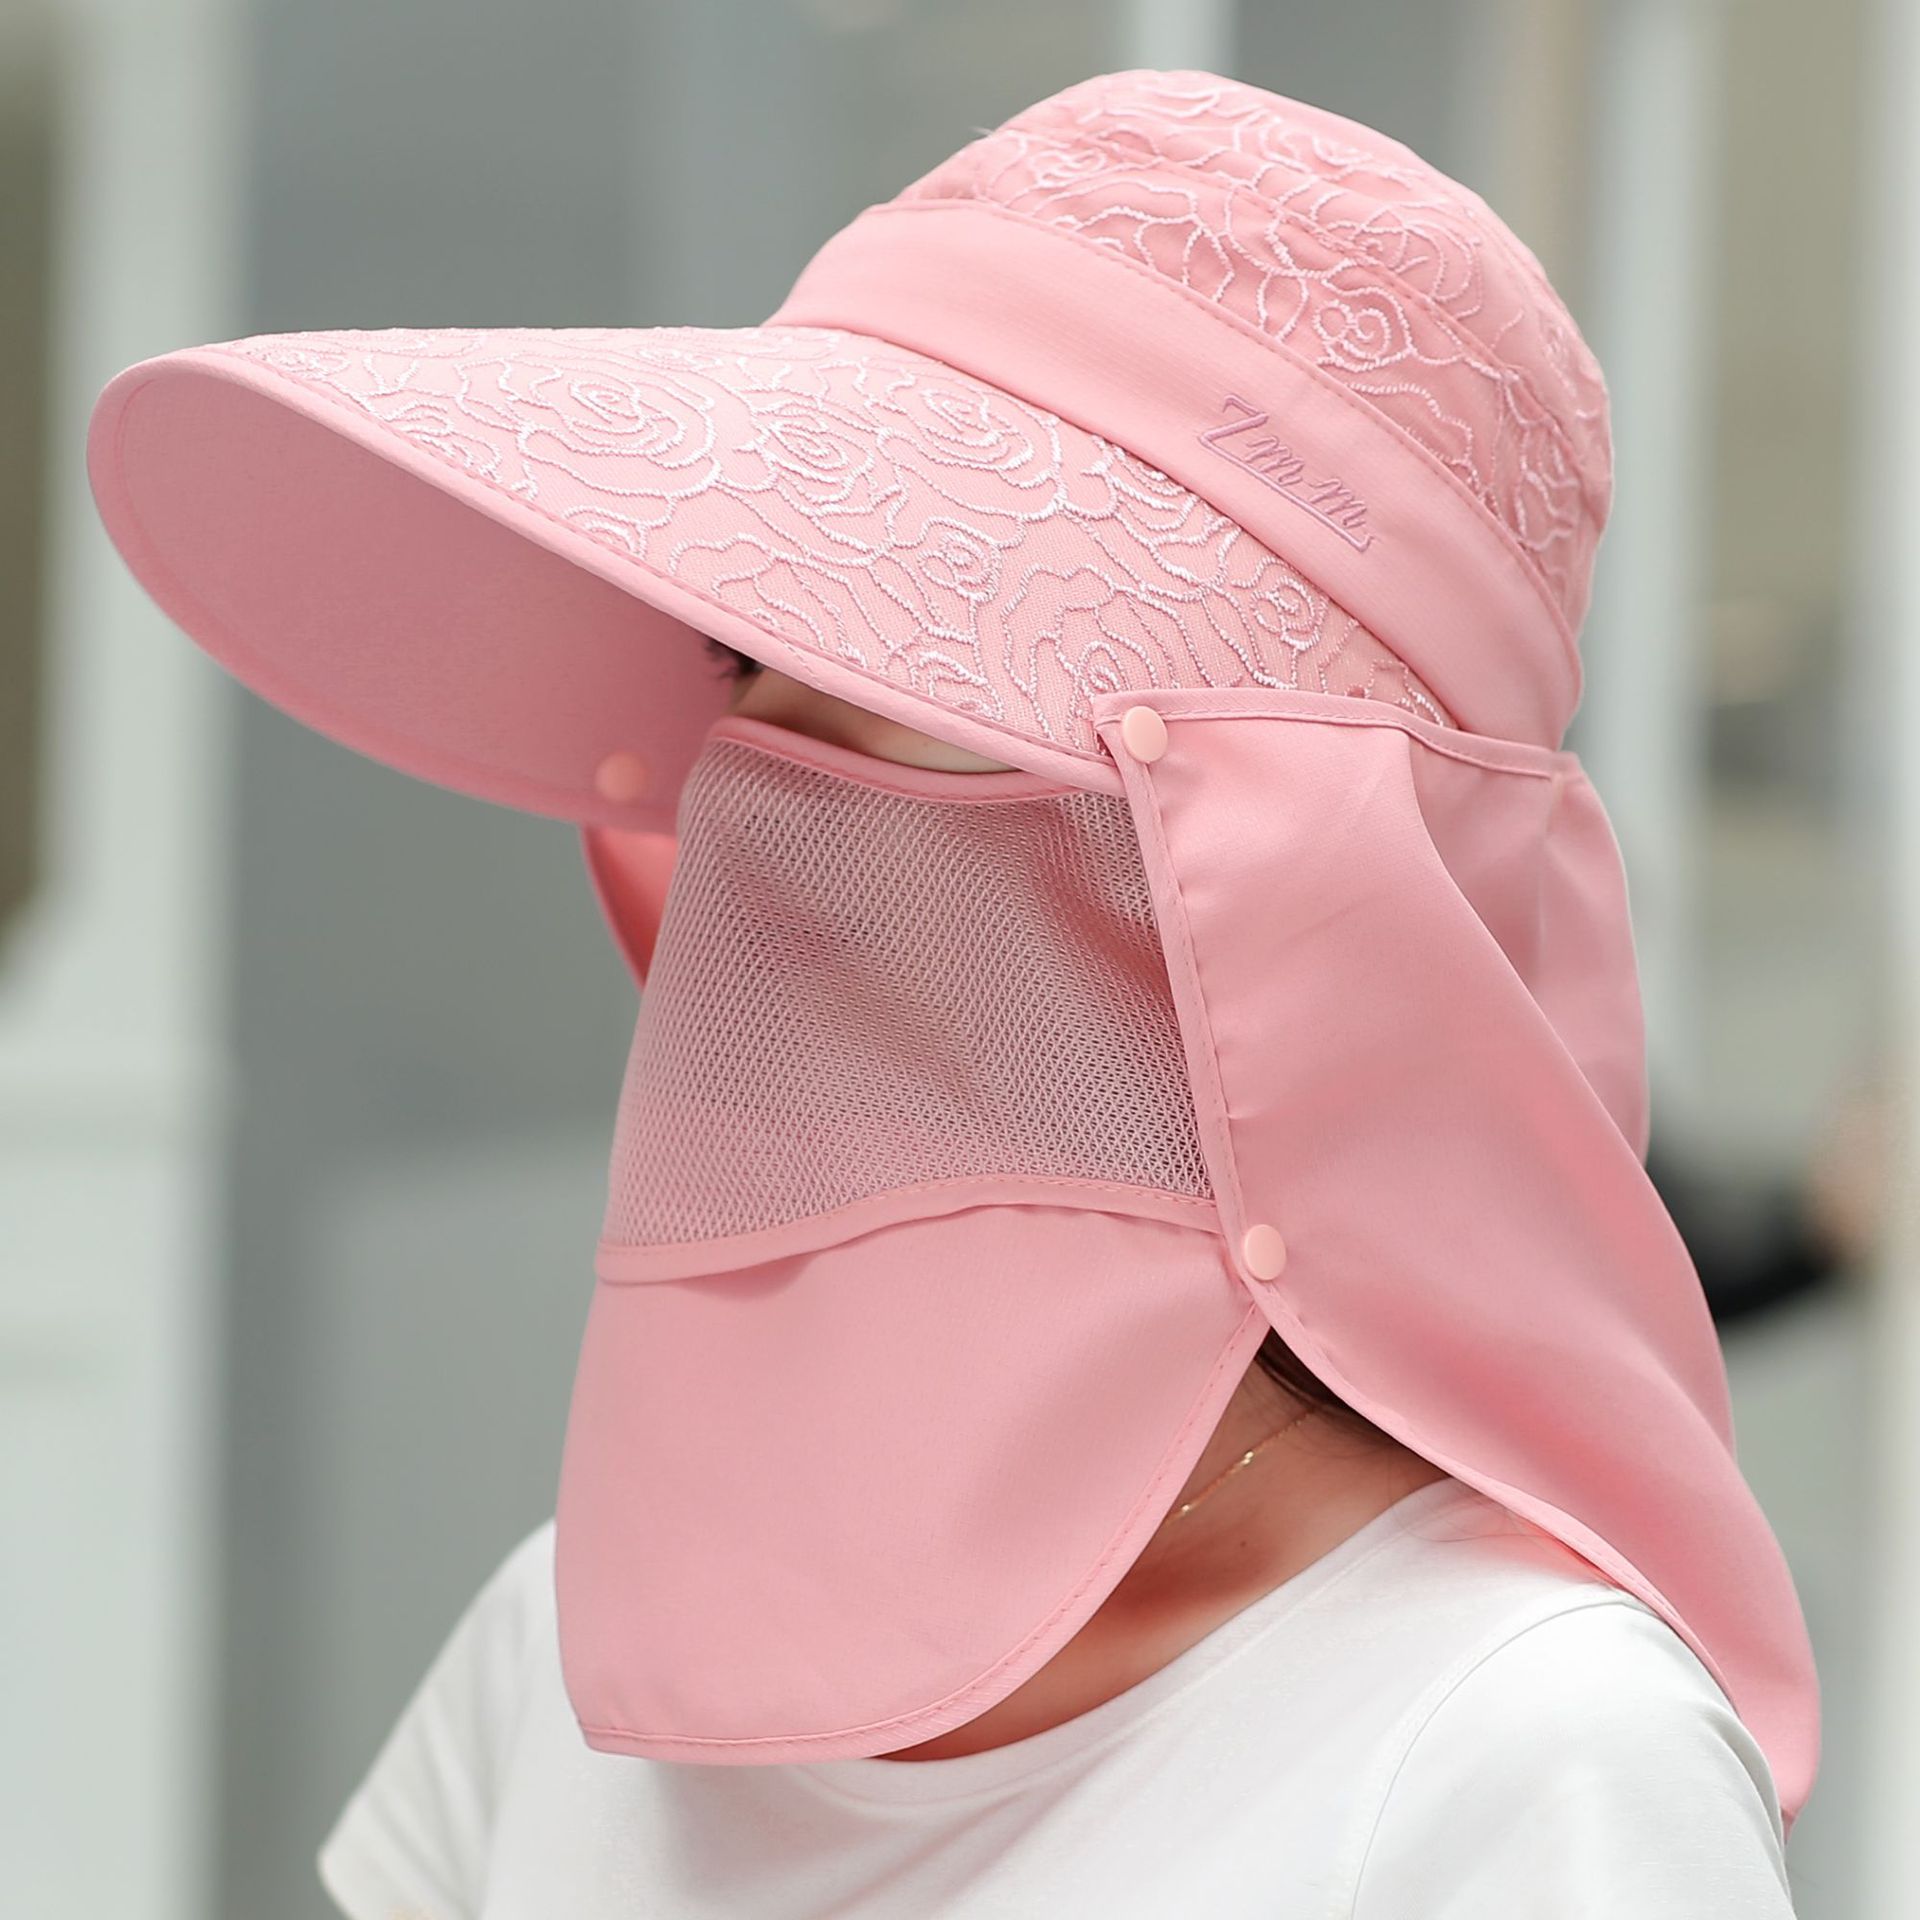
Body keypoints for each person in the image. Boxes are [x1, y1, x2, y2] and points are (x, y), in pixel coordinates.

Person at [83, 64, 1820, 1917]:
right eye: (747, 657)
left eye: (920, 669)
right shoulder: (565, 1674)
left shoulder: (1515, 1759)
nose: (758, 791)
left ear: (1302, 880)